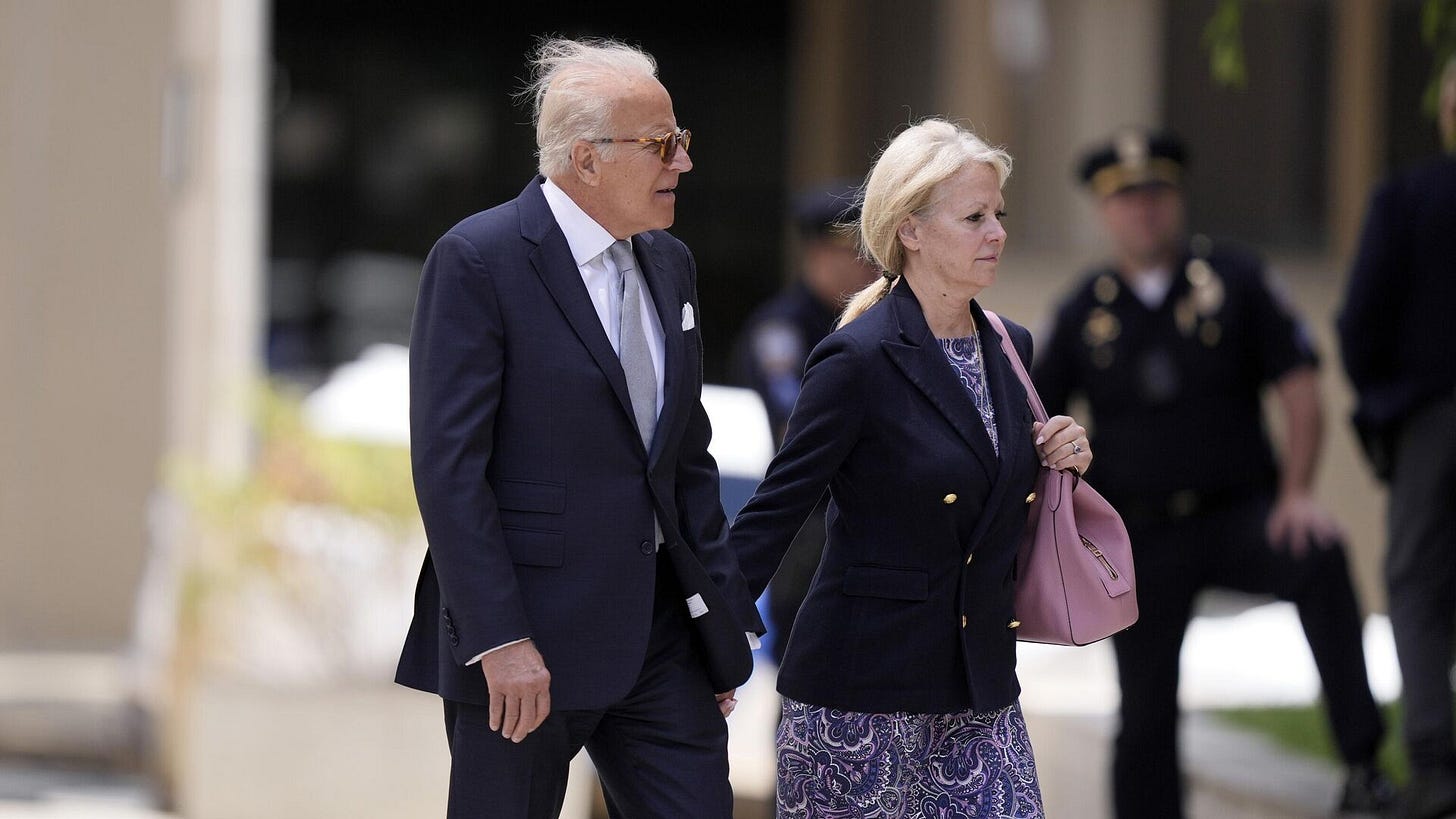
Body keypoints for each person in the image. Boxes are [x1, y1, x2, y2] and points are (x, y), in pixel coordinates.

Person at [394, 37, 762, 819]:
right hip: (528, 645)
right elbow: (449, 468)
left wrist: (719, 621)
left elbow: (683, 456)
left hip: (662, 640)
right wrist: (498, 638)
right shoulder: (478, 259)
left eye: (682, 141)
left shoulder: (671, 264)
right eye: (662, 144)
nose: (683, 163)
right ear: (585, 159)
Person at [729, 118, 1093, 817]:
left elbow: (994, 505)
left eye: (999, 215)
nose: (997, 232)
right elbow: (774, 512)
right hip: (862, 693)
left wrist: (1060, 459)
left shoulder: (1011, 346)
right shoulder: (857, 358)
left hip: (981, 687)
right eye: (974, 216)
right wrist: (708, 648)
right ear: (911, 230)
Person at [1032, 128, 1393, 818]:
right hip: (1140, 533)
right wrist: (1066, 526)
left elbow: (1298, 384)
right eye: (1127, 198)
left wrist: (1296, 494)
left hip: (1240, 512)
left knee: (1320, 555)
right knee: (1143, 709)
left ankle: (1363, 765)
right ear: (1106, 211)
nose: (1144, 210)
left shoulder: (1236, 277)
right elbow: (1037, 415)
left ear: (1178, 198)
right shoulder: (1085, 306)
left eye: (1157, 193)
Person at [1338, 57, 1456, 819]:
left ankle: (1436, 763)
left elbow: (1359, 322)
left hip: (1433, 420)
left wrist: (1386, 406)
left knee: (1416, 586)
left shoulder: (1412, 196)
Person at [729, 181, 878, 665]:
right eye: (848, 254)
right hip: (812, 518)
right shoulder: (783, 330)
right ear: (816, 252)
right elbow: (796, 424)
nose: (862, 267)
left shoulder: (877, 320)